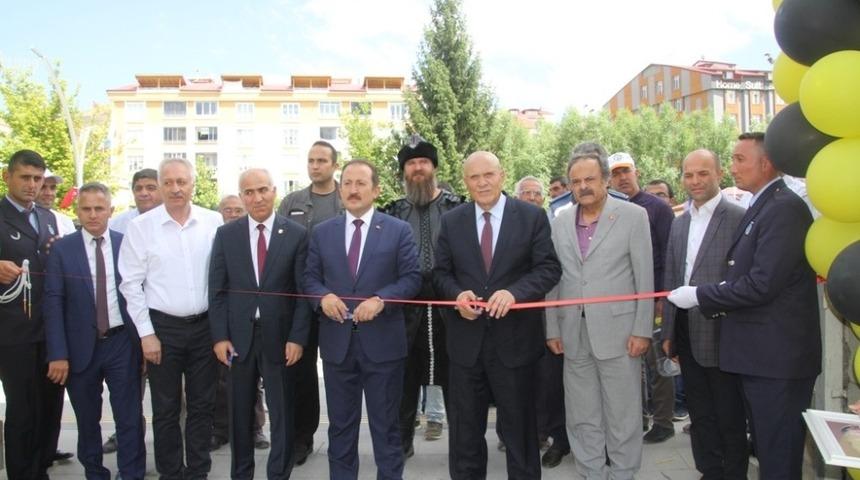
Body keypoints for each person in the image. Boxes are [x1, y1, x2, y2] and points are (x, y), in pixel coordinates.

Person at [668, 132, 822, 480]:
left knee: (778, 456)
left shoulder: (783, 209)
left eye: (740, 159)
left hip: (776, 359)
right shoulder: (763, 205)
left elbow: (761, 284)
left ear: (766, 163)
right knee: (768, 450)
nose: (733, 167)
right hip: (760, 357)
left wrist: (701, 295)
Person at [434, 151, 561, 479]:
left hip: (516, 344)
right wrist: (456, 295)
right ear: (466, 182)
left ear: (502, 175)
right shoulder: (452, 221)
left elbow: (549, 269)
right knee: (465, 435)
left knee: (520, 433)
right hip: (466, 346)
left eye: (488, 175)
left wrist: (515, 292)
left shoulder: (531, 217)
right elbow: (440, 274)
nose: (482, 183)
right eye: (474, 177)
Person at [304, 159, 421, 480]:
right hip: (337, 346)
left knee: (386, 427)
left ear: (376, 190)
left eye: (360, 183)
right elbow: (310, 278)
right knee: (340, 428)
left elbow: (412, 279)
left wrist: (381, 300)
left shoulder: (398, 230)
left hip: (384, 346)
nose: (353, 190)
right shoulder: (323, 233)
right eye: (347, 183)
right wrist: (322, 297)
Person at [545, 150, 653, 479]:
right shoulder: (560, 221)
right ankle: (591, 472)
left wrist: (642, 329)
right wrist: (552, 328)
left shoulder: (633, 216)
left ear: (606, 180)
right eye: (576, 181)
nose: (583, 186)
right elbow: (553, 278)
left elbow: (644, 277)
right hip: (572, 333)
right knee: (581, 413)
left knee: (622, 413)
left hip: (620, 333)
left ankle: (623, 473)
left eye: (590, 179)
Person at [119, 158, 223, 479]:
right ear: (161, 186)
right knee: (165, 409)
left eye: (182, 182)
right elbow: (130, 284)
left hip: (205, 328)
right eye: (168, 182)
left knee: (202, 406)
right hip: (162, 329)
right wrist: (146, 334)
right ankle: (171, 472)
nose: (176, 188)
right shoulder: (141, 228)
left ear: (193, 184)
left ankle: (198, 471)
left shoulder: (213, 222)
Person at [209, 168, 310, 479]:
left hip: (280, 339)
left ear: (274, 191)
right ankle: (242, 473)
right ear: (242, 197)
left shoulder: (296, 234)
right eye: (249, 192)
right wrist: (220, 337)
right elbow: (217, 290)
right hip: (238, 340)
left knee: (282, 413)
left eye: (263, 189)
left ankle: (278, 473)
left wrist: (297, 338)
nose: (257, 197)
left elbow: (303, 293)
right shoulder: (226, 235)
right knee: (240, 413)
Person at [43, 182, 146, 479]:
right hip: (79, 348)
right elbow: (53, 302)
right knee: (87, 420)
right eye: (86, 209)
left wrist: (143, 341)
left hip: (121, 343)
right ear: (77, 211)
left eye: (99, 208)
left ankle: (131, 473)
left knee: (129, 417)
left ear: (110, 210)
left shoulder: (127, 244)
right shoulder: (63, 249)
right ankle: (95, 472)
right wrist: (58, 353)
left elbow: (141, 293)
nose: (92, 215)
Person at [661, 149, 748, 479]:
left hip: (724, 330)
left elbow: (744, 280)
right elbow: (672, 277)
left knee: (729, 413)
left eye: (703, 173)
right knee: (700, 412)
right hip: (687, 331)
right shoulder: (679, 222)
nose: (695, 181)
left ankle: (734, 473)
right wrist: (668, 332)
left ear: (719, 174)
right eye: (688, 175)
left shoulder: (738, 218)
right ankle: (709, 471)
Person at [382, 136, 462, 457]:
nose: (417, 168)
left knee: (457, 382)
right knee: (404, 380)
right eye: (411, 163)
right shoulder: (391, 213)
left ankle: (462, 450)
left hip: (450, 307)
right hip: (406, 309)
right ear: (404, 171)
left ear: (434, 167)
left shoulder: (458, 208)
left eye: (423, 162)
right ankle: (401, 446)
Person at [0, 149, 67, 478]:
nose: (32, 185)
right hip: (14, 332)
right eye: (25, 177)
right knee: (23, 409)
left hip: (50, 329)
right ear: (7, 177)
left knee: (49, 407)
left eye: (37, 179)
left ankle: (41, 467)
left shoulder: (48, 217)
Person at [277, 140, 344, 466]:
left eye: (322, 161)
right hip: (298, 303)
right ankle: (301, 439)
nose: (315, 166)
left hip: (336, 303)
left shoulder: (346, 199)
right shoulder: (292, 202)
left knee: (338, 375)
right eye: (311, 160)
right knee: (300, 375)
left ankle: (341, 441)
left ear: (334, 165)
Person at [607, 152, 676, 444]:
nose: (622, 178)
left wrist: (663, 297)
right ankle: (636, 419)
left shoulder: (657, 208)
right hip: (620, 301)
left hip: (654, 297)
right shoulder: (608, 208)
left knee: (656, 362)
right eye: (615, 173)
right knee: (627, 364)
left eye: (626, 171)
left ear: (637, 173)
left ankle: (663, 422)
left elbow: (670, 254)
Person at [104, 167, 162, 453]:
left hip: (166, 318)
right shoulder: (118, 225)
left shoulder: (172, 220)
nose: (144, 193)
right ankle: (126, 437)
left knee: (172, 394)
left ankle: (172, 444)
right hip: (129, 320)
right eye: (139, 188)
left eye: (151, 187)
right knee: (129, 388)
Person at [514, 175, 570, 468]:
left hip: (550, 317)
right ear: (517, 197)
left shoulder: (554, 224)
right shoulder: (509, 227)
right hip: (516, 320)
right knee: (523, 382)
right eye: (527, 192)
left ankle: (559, 440)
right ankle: (529, 434)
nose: (534, 197)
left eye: (538, 193)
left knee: (551, 382)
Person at [211, 193, 268, 452]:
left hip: (255, 325)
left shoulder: (254, 237)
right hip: (225, 324)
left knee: (253, 384)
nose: (233, 214)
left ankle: (255, 428)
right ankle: (221, 429)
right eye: (228, 210)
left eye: (237, 210)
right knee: (222, 382)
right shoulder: (221, 237)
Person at [109, 168, 162, 235]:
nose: (144, 193)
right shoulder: (117, 224)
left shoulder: (173, 220)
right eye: (138, 189)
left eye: (150, 188)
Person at [36, 168, 76, 235]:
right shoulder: (23, 219)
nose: (49, 193)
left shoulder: (65, 221)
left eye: (52, 188)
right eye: (42, 187)